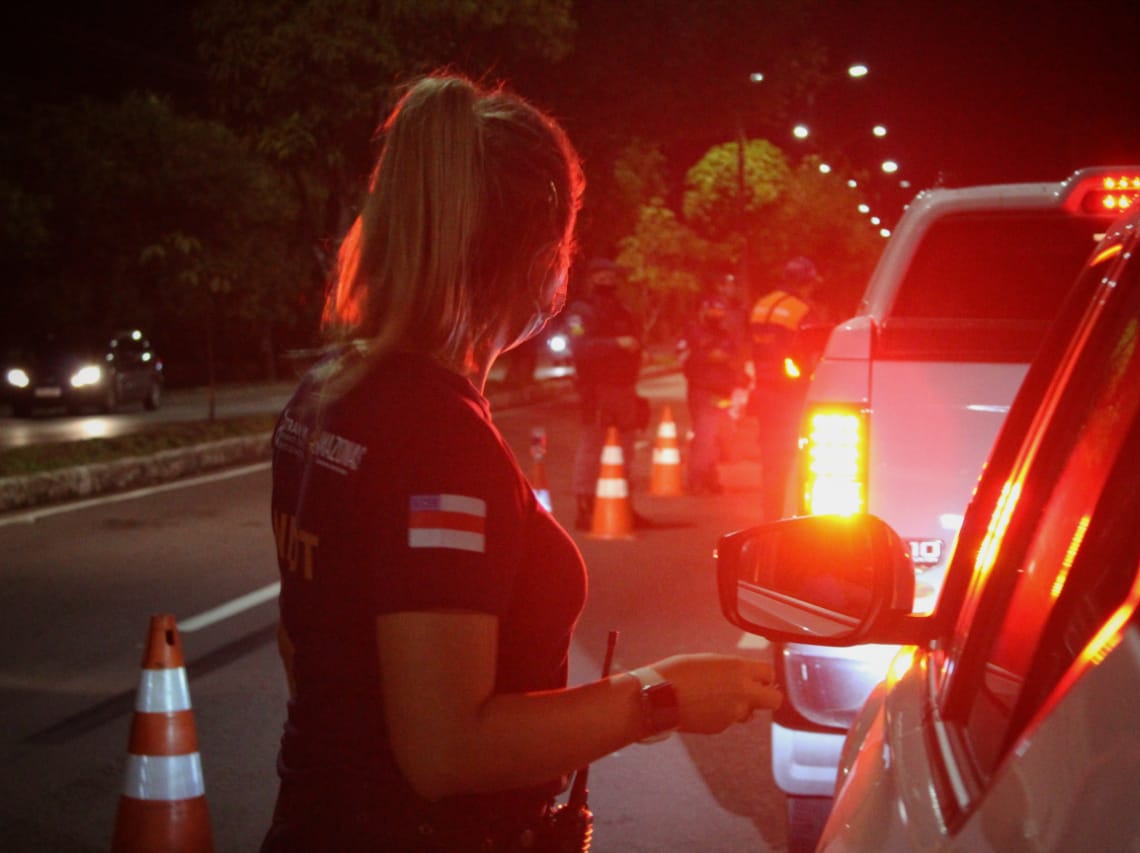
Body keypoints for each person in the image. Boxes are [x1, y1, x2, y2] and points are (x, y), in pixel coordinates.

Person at [262, 73, 781, 851]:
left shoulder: (328, 394)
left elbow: (306, 644)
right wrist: (660, 693)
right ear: (543, 255)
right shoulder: (437, 437)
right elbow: (445, 748)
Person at [564, 258, 651, 530]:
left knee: (626, 449)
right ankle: (586, 506)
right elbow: (580, 347)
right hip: (596, 389)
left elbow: (636, 342)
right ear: (591, 278)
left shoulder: (623, 311)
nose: (607, 280)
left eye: (611, 275)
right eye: (601, 274)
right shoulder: (581, 312)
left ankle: (623, 505)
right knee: (592, 446)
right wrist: (616, 344)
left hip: (625, 389)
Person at [747, 256, 826, 519]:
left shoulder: (762, 305)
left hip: (763, 391)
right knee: (800, 458)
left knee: (771, 461)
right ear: (808, 283)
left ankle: (770, 515)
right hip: (791, 395)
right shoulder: (802, 310)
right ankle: (795, 519)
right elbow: (811, 353)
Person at [677, 294, 749, 494]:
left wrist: (739, 376)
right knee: (704, 437)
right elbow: (683, 358)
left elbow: (735, 359)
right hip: (702, 390)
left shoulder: (725, 335)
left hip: (723, 391)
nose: (716, 314)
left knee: (718, 438)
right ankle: (697, 480)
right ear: (703, 310)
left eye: (720, 310)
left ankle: (710, 478)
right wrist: (708, 357)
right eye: (712, 309)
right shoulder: (692, 332)